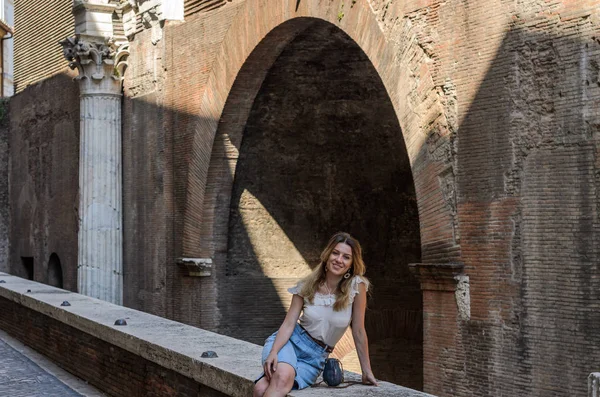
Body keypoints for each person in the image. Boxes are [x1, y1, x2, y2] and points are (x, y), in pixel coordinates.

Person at [253, 232, 378, 397]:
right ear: (327, 255)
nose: (339, 260)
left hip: (315, 359)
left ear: (351, 263)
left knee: (261, 388)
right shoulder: (306, 286)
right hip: (289, 344)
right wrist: (274, 351)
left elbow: (359, 330)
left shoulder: (357, 286)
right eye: (335, 253)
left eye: (346, 257)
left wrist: (366, 370)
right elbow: (289, 323)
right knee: (282, 377)